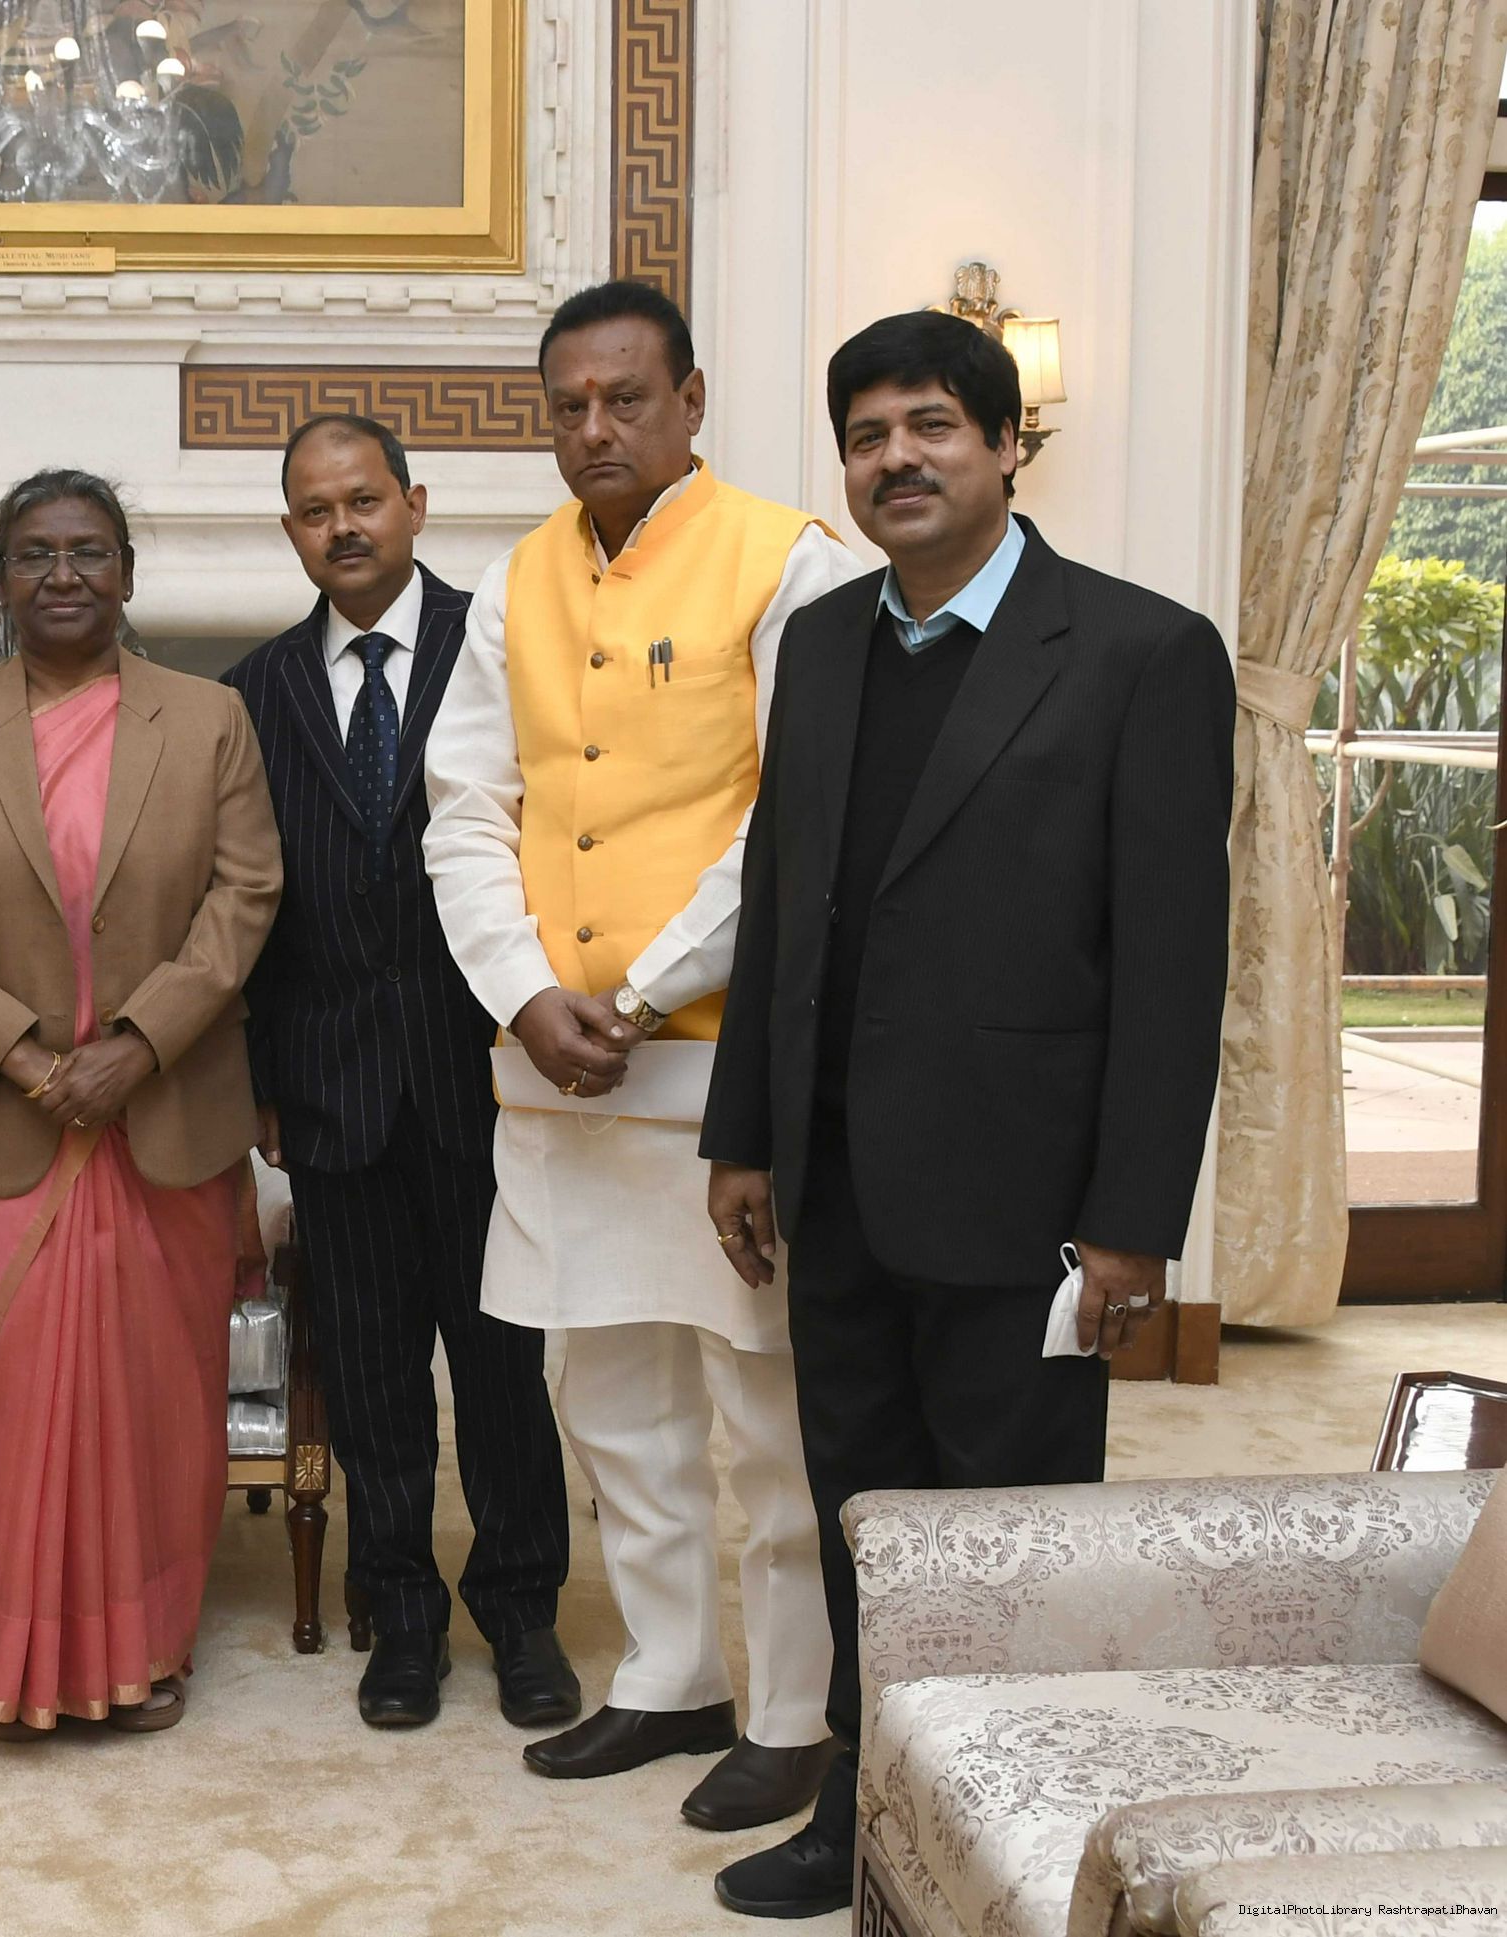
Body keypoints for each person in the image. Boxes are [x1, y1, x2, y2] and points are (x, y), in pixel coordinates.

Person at [700, 310, 1233, 1919]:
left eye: (930, 425)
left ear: (1007, 445)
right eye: (865, 436)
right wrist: (741, 1133)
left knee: (1012, 1541)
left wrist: (1133, 1223)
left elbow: (1171, 966)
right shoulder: (818, 644)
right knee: (862, 1519)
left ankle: (1013, 1837)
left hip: (1026, 1200)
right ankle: (862, 1811)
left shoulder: (1141, 653)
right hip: (835, 1180)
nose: (896, 460)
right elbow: (779, 903)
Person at [423, 280, 863, 1829]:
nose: (594, 428)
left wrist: (645, 983)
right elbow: (465, 809)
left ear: (690, 402)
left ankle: (794, 1711)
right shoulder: (511, 580)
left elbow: (793, 817)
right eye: (568, 406)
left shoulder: (790, 562)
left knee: (764, 1408)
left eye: (624, 399)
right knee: (607, 1394)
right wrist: (523, 989)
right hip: (552, 1067)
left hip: (723, 1069)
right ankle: (670, 1676)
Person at [0, 469, 283, 1737]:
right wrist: (21, 1056)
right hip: (4, 1123)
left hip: (162, 1120)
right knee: (15, 1403)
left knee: (158, 1404)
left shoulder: (207, 719)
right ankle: (24, 1663)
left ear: (127, 574)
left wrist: (137, 1046)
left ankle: (143, 1653)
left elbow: (244, 897)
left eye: (89, 550)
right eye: (35, 553)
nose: (62, 574)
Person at [222, 415, 578, 1733]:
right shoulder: (252, 690)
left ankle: (521, 1610)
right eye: (315, 511)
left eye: (363, 500)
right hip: (330, 1090)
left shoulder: (504, 646)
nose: (344, 527)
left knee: (500, 1368)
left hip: (481, 1073)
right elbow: (243, 902)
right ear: (291, 531)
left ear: (414, 504)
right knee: (369, 1376)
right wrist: (259, 1075)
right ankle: (402, 1615)